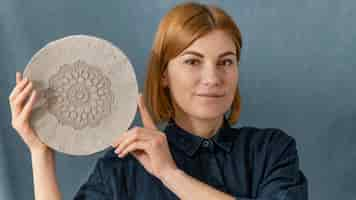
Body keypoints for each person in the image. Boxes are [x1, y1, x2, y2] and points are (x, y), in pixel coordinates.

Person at [8, 2, 308, 200]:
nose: (213, 78)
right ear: (164, 73)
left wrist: (170, 174)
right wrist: (41, 152)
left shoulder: (271, 150)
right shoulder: (122, 168)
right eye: (193, 62)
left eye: (226, 62)